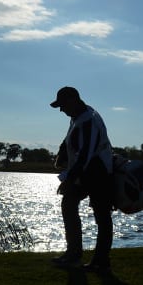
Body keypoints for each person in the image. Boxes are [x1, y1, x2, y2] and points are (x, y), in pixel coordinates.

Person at [50, 86, 115, 274]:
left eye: (62, 105)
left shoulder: (89, 119)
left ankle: (100, 260)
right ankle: (74, 253)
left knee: (101, 215)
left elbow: (86, 154)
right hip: (86, 170)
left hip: (98, 171)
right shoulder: (78, 117)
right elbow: (70, 138)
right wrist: (62, 153)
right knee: (69, 204)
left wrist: (69, 178)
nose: (61, 110)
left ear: (73, 100)